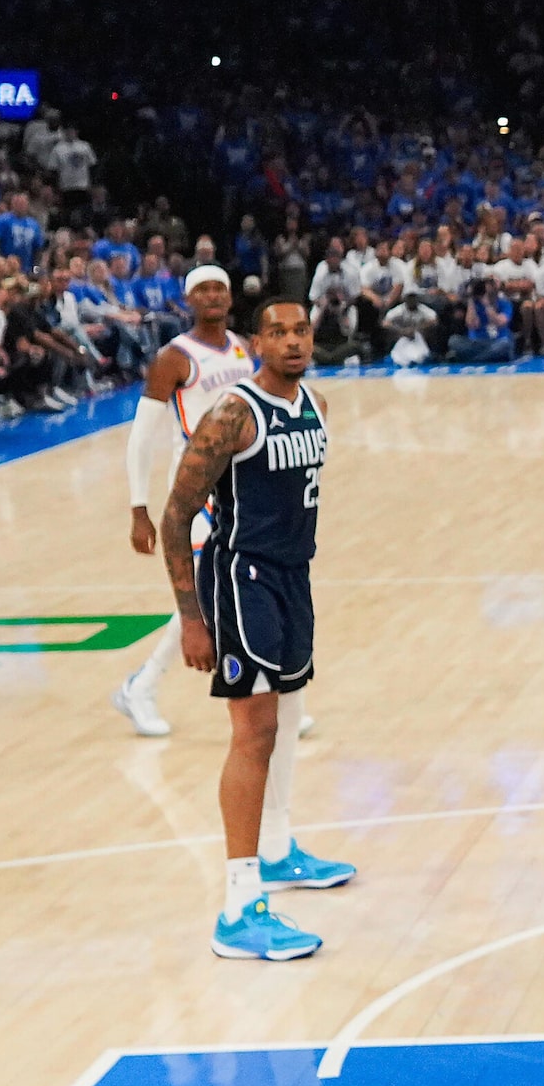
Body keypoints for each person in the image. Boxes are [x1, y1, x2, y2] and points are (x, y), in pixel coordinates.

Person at [158, 296, 354, 961]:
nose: (293, 342)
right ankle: (238, 908)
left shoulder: (317, 408)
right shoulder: (233, 414)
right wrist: (191, 618)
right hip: (243, 580)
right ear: (257, 344)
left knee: (290, 714)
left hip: (293, 577)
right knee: (255, 731)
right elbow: (176, 516)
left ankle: (275, 848)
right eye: (278, 332)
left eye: (301, 331)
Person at [114, 266, 259, 739]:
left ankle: (258, 690)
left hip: (241, 489)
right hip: (196, 493)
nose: (213, 295)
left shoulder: (242, 346)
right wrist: (139, 507)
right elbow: (141, 436)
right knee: (203, 599)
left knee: (242, 593)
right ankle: (141, 686)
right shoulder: (174, 358)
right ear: (188, 299)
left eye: (220, 287)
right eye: (203, 289)